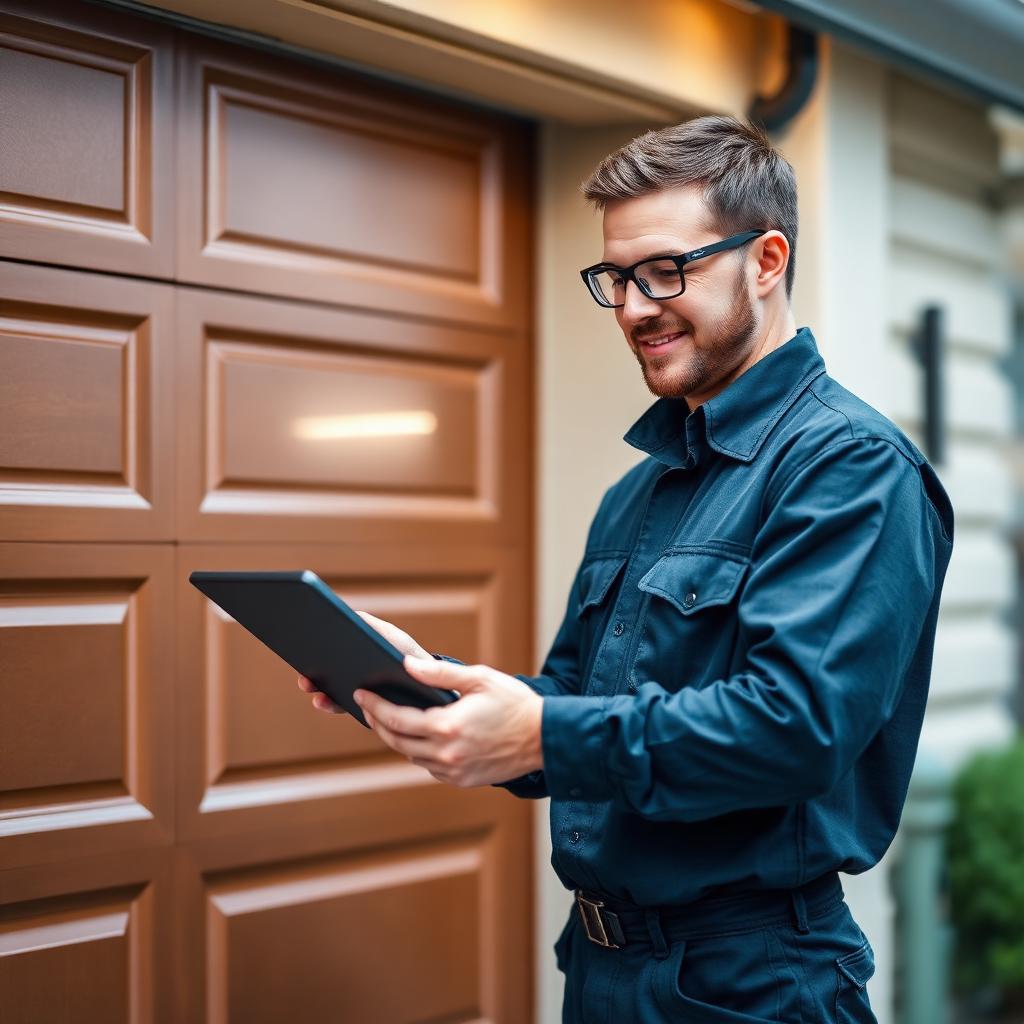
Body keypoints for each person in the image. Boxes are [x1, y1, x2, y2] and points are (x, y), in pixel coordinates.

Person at [299, 115, 953, 1023]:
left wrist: (542, 736)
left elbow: (798, 727)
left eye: (665, 272)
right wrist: (434, 694)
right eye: (616, 278)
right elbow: (577, 697)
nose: (637, 306)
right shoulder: (638, 492)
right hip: (602, 972)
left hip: (752, 982)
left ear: (766, 260)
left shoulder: (847, 466)